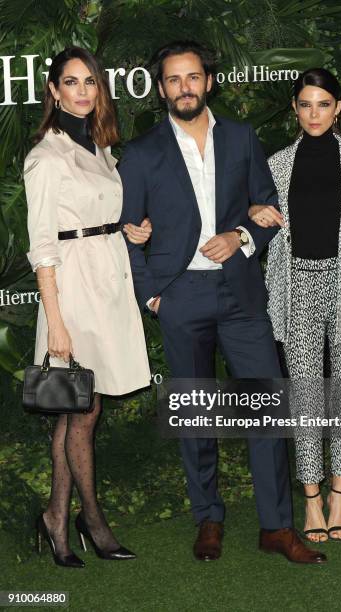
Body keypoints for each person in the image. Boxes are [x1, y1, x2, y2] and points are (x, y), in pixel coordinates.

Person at [120, 41, 326, 564]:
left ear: (208, 81)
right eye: (173, 80)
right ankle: (208, 519)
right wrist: (153, 295)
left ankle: (276, 526)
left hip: (240, 295)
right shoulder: (142, 152)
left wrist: (240, 237)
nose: (184, 87)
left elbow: (269, 207)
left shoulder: (241, 137)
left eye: (192, 77)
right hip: (180, 297)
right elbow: (127, 232)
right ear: (160, 88)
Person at [250, 68, 341, 542]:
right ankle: (312, 500)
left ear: (338, 109)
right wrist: (253, 213)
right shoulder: (275, 165)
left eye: (323, 104)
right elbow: (257, 224)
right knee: (308, 394)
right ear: (295, 109)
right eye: (305, 104)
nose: (314, 113)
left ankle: (340, 494)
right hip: (297, 285)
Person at [24, 46, 151, 568]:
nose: (81, 91)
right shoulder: (46, 156)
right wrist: (56, 321)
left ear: (99, 90)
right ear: (53, 91)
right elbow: (42, 243)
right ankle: (90, 519)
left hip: (107, 277)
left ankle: (58, 515)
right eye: (70, 83)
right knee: (81, 409)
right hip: (72, 289)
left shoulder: (99, 147)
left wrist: (129, 229)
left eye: (89, 83)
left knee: (81, 409)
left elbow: (98, 211)